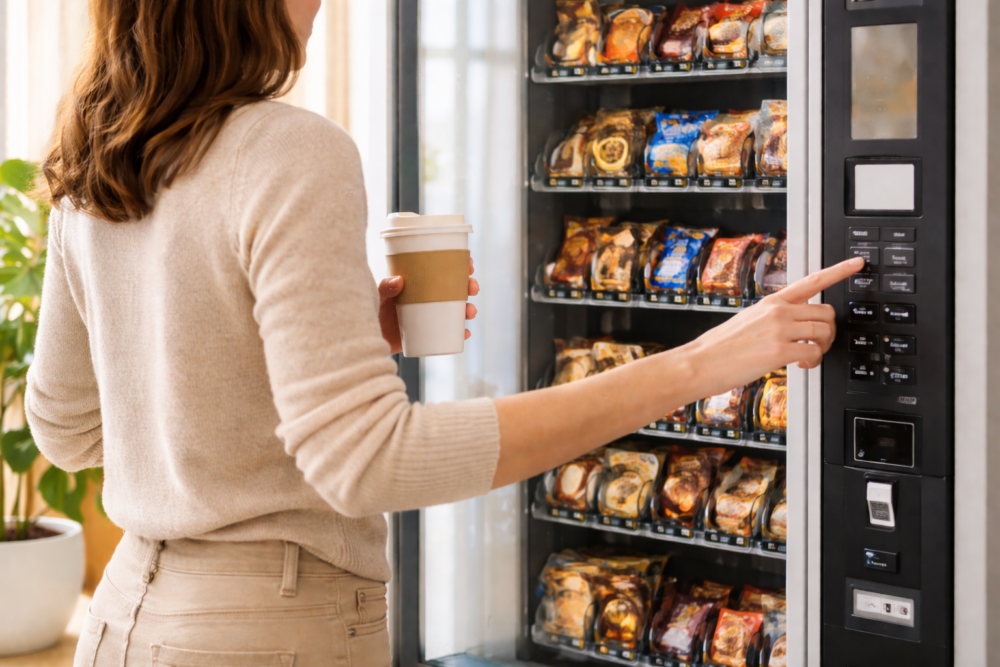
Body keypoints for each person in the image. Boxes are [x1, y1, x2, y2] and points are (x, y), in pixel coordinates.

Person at [24, 1, 861, 665]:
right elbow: (370, 459)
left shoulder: (97, 159)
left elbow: (70, 427)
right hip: (271, 629)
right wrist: (705, 359)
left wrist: (330, 338)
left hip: (127, 620)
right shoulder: (287, 148)